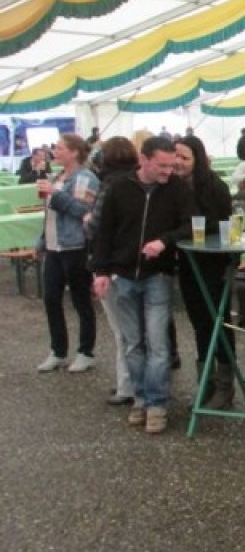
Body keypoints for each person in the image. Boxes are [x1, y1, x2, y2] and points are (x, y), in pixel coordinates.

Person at [91, 137, 196, 435]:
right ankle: (140, 398)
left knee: (158, 343)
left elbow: (191, 223)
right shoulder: (119, 188)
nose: (168, 171)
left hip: (158, 275)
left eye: (171, 165)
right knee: (132, 343)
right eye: (162, 165)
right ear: (144, 160)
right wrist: (100, 271)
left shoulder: (176, 188)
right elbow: (104, 232)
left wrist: (164, 241)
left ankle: (157, 404)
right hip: (122, 275)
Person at [175, 135, 236, 410]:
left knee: (218, 321)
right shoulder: (172, 186)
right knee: (199, 322)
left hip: (213, 263)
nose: (179, 162)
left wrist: (187, 228)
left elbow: (223, 224)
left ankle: (225, 386)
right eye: (176, 156)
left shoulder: (215, 186)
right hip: (187, 262)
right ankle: (205, 382)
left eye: (185, 157)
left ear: (197, 159)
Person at [36, 133, 100, 374]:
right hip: (54, 246)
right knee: (51, 298)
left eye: (61, 148)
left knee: (80, 300)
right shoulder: (57, 177)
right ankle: (58, 351)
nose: (56, 151)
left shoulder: (85, 178)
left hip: (75, 246)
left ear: (74, 152)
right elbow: (50, 214)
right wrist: (42, 240)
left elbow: (83, 210)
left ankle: (86, 352)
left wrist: (55, 194)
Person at [86, 137, 138, 405]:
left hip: (110, 264)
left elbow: (95, 226)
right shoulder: (138, 182)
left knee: (121, 329)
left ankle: (127, 385)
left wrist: (86, 220)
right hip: (135, 263)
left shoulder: (108, 185)